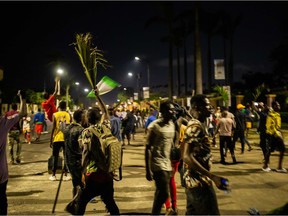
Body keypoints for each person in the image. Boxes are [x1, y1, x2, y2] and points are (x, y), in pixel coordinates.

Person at [182, 94, 229, 215]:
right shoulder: (195, 126)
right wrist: (212, 177)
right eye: (208, 105)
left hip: (193, 183)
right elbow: (186, 156)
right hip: (199, 183)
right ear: (198, 108)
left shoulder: (199, 124)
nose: (211, 108)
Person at [73, 106, 120, 215]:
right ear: (99, 118)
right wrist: (98, 96)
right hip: (108, 173)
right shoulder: (106, 127)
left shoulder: (87, 132)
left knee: (81, 202)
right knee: (110, 202)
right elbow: (106, 112)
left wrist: (82, 172)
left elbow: (85, 152)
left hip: (94, 174)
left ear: (88, 119)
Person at [145, 100, 176, 215]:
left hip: (167, 163)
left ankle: (155, 213)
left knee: (159, 192)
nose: (173, 112)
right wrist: (148, 170)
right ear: (162, 111)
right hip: (157, 163)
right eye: (170, 109)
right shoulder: (155, 126)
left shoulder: (172, 124)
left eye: (173, 109)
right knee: (164, 193)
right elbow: (147, 147)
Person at [0, 90, 26, 215]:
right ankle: (16, 158)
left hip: (10, 133)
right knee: (2, 200)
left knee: (11, 147)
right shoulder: (3, 122)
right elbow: (23, 113)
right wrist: (23, 98)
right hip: (1, 174)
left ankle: (12, 158)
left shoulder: (6, 116)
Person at [63, 109, 86, 197]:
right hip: (78, 161)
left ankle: (74, 201)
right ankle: (79, 202)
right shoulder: (81, 130)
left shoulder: (66, 128)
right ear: (82, 118)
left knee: (75, 183)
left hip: (68, 160)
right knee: (82, 183)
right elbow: (82, 147)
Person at [49, 100, 72, 181]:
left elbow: (53, 128)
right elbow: (70, 127)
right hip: (66, 138)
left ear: (59, 106)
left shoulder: (55, 115)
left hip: (57, 138)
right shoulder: (69, 115)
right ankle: (66, 175)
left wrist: (51, 140)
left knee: (55, 156)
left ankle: (53, 175)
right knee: (66, 156)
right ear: (65, 107)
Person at [262, 101, 287, 173]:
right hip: (274, 135)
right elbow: (271, 127)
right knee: (282, 149)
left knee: (270, 151)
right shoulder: (271, 115)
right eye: (277, 105)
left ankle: (265, 166)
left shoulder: (277, 114)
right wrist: (278, 135)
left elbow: (277, 126)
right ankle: (279, 167)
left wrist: (280, 132)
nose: (279, 106)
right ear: (273, 106)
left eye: (279, 105)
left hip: (275, 134)